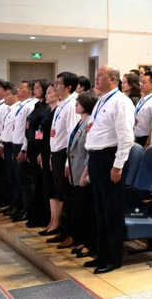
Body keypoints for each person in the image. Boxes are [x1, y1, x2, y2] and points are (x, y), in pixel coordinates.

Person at [84, 65, 135, 274]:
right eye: (96, 75)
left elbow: (126, 137)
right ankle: (102, 254)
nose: (96, 78)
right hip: (96, 158)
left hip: (110, 159)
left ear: (113, 79)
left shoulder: (121, 102)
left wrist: (118, 165)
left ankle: (113, 258)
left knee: (112, 210)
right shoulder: (101, 101)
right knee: (100, 209)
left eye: (101, 75)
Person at [46, 72, 79, 247]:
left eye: (58, 84)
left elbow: (72, 135)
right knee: (62, 195)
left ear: (68, 87)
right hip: (57, 153)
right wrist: (52, 155)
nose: (55, 86)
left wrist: (67, 161)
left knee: (68, 196)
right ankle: (64, 230)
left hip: (66, 155)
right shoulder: (61, 104)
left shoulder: (72, 105)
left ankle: (72, 234)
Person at [64, 91, 98, 259]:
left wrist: (85, 173)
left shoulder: (90, 122)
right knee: (79, 207)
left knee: (86, 209)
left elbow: (89, 151)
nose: (76, 105)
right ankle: (81, 239)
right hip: (75, 168)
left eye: (79, 103)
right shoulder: (81, 121)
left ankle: (88, 241)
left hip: (84, 170)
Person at [20, 79, 50, 227]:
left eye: (38, 88)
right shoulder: (36, 106)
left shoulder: (46, 108)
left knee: (39, 184)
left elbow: (42, 130)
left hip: (39, 147)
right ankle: (34, 215)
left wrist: (39, 149)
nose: (34, 90)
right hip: (32, 146)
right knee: (35, 183)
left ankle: (41, 217)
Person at [9, 81, 38, 222]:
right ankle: (21, 206)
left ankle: (28, 209)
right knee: (18, 179)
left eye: (21, 88)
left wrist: (24, 149)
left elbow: (29, 130)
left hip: (22, 145)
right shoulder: (22, 106)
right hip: (16, 144)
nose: (18, 89)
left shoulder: (30, 106)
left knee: (26, 180)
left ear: (29, 92)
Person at [38, 84, 59, 236]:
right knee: (48, 187)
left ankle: (56, 222)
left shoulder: (58, 110)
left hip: (53, 151)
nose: (46, 95)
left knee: (54, 187)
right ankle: (52, 221)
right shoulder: (49, 111)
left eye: (49, 93)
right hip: (44, 150)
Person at [0, 84, 20, 215]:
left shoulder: (19, 108)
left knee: (15, 177)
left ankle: (18, 205)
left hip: (14, 144)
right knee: (10, 176)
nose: (5, 98)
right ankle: (13, 204)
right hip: (6, 143)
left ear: (15, 95)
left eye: (7, 95)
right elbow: (5, 128)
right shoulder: (9, 109)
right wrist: (1, 144)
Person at [133, 71, 152, 146]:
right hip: (137, 136)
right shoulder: (142, 98)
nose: (141, 84)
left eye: (144, 82)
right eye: (141, 82)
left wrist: (148, 142)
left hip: (146, 138)